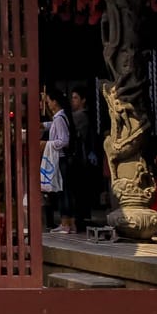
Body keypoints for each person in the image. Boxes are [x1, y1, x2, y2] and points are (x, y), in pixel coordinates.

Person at [64, 85, 104, 233]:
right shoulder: (85, 115)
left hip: (80, 159)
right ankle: (79, 219)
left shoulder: (80, 116)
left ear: (83, 100)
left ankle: (76, 221)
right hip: (84, 159)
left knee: (77, 191)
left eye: (75, 98)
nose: (72, 101)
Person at [40, 87, 70, 234]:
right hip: (61, 159)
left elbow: (64, 140)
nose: (48, 104)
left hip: (61, 159)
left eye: (49, 101)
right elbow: (53, 126)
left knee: (62, 191)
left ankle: (66, 223)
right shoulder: (59, 117)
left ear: (55, 102)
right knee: (62, 190)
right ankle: (67, 223)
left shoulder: (59, 118)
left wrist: (47, 144)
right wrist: (44, 125)